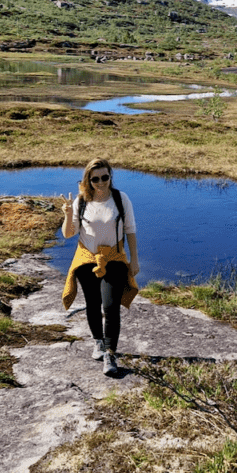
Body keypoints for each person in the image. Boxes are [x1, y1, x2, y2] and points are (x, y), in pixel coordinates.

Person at [60, 158, 139, 375]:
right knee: (92, 304)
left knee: (110, 306)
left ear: (110, 176)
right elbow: (68, 234)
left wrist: (135, 260)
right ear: (88, 179)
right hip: (87, 260)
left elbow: (130, 229)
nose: (101, 182)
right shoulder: (82, 201)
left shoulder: (121, 199)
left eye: (105, 177)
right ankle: (98, 341)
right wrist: (68, 214)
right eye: (95, 179)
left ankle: (110, 354)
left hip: (113, 258)